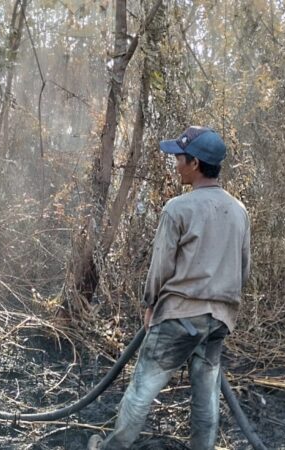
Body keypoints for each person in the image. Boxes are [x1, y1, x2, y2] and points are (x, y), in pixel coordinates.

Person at [88, 126, 250, 449]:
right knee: (206, 395)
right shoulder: (239, 212)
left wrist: (150, 305)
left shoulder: (178, 209)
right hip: (219, 319)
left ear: (195, 164)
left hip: (180, 316)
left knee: (142, 390)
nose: (175, 161)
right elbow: (242, 269)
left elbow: (161, 267)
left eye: (179, 156)